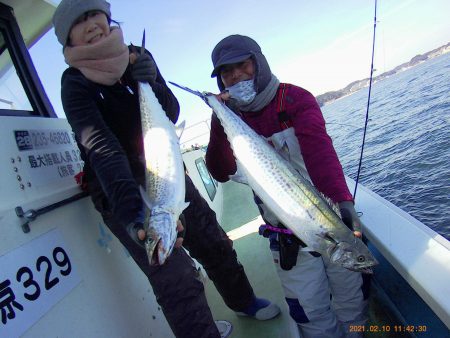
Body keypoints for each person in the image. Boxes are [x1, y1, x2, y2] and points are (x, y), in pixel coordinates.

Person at [52, 2, 280, 337]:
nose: (91, 24)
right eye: (79, 21)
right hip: (119, 185)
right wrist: (131, 216)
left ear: (107, 16)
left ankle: (243, 300)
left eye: (94, 13)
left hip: (165, 167)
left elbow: (170, 110)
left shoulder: (138, 55)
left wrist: (151, 81)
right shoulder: (74, 83)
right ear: (68, 37)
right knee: (172, 275)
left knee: (212, 239)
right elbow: (102, 148)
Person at [205, 34, 370, 338]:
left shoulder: (293, 98)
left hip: (328, 218)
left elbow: (320, 153)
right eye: (226, 72)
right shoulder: (229, 116)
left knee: (351, 300)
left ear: (259, 61)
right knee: (310, 313)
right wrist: (218, 118)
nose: (235, 75)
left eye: (242, 65)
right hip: (286, 238)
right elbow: (220, 170)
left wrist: (344, 202)